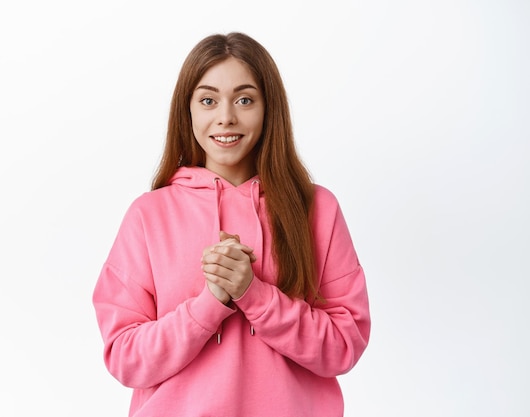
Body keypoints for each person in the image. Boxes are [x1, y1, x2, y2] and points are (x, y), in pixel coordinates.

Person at [93, 32, 370, 417]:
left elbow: (343, 346)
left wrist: (253, 294)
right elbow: (125, 358)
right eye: (208, 100)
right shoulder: (148, 215)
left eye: (244, 99)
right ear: (187, 111)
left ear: (268, 108)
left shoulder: (317, 208)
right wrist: (210, 304)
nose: (226, 116)